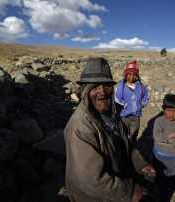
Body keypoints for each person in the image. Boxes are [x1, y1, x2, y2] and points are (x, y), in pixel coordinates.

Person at [64, 57, 155, 202]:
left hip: (114, 185)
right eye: (95, 87)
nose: (102, 92)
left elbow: (126, 144)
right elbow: (91, 182)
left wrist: (140, 164)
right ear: (85, 90)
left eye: (106, 85)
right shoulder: (80, 127)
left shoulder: (112, 113)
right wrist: (130, 191)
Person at [114, 60, 149, 145]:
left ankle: (132, 147)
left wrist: (141, 105)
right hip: (123, 116)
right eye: (129, 74)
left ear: (137, 76)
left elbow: (145, 97)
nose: (131, 77)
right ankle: (124, 147)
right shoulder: (120, 86)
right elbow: (116, 98)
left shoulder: (141, 86)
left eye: (134, 75)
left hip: (136, 116)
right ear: (126, 75)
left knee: (134, 134)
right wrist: (124, 104)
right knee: (123, 134)